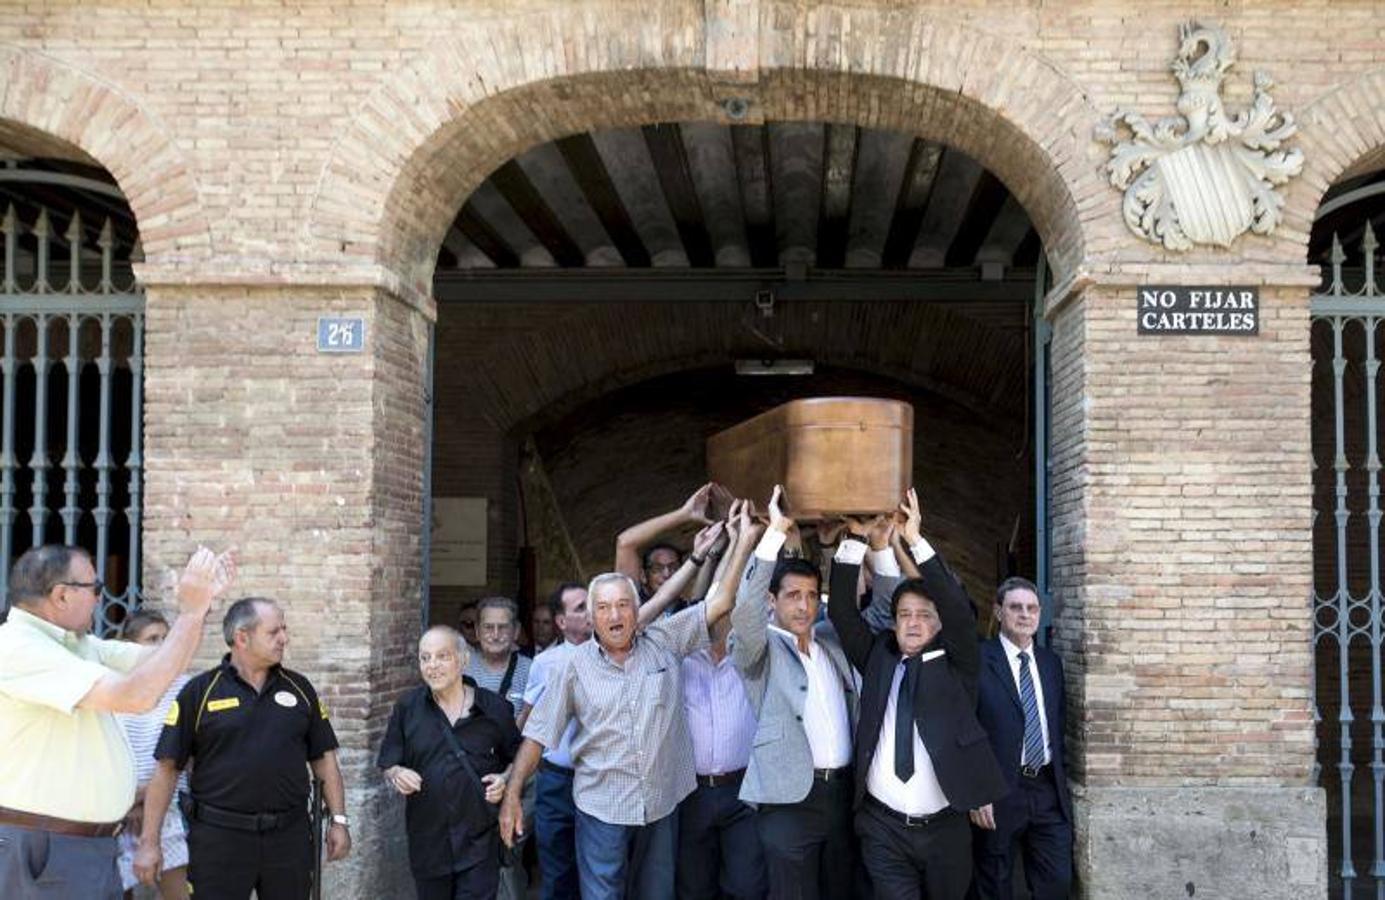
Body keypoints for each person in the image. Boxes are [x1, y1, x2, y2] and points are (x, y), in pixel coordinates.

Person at [500, 517, 737, 900]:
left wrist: (745, 539)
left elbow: (721, 601)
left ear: (636, 610)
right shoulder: (572, 667)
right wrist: (512, 794)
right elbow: (538, 733)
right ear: (591, 618)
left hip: (661, 803)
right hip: (602, 808)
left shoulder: (663, 641)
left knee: (656, 893)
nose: (615, 615)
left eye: (623, 606)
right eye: (605, 608)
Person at [0, 544, 232, 900]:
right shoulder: (17, 647)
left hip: (80, 845)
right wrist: (189, 613)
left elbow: (165, 663)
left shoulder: (79, 645)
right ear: (62, 595)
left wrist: (199, 611)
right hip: (46, 846)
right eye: (95, 589)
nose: (98, 599)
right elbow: (136, 695)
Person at [825, 490, 1006, 900]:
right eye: (904, 614)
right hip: (882, 827)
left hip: (945, 829)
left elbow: (959, 610)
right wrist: (855, 539)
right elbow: (840, 611)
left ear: (939, 624)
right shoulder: (877, 658)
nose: (913, 623)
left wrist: (915, 540)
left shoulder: (961, 663)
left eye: (924, 615)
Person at [135, 597, 350, 899]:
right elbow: (167, 768)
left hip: (288, 837)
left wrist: (339, 821)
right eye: (274, 632)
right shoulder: (199, 691)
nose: (284, 638)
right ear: (242, 638)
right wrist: (149, 841)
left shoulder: (300, 689)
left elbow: (324, 758)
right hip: (219, 839)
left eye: (284, 630)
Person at [728, 486, 859, 900]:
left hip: (842, 796)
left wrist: (851, 542)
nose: (802, 607)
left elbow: (874, 611)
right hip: (787, 805)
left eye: (809, 597)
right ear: (773, 601)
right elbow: (744, 613)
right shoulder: (759, 648)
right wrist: (775, 535)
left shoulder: (832, 641)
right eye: (792, 597)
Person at [644, 501, 767, 900]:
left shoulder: (752, 655)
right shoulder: (673, 655)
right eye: (714, 612)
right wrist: (722, 548)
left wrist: (745, 543)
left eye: (726, 612)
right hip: (690, 791)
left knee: (746, 885)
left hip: (743, 789)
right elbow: (646, 619)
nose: (720, 619)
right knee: (694, 886)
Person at [378, 625, 521, 900]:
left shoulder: (495, 709)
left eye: (442, 656)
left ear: (463, 659)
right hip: (428, 842)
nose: (432, 665)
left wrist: (504, 779)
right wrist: (397, 773)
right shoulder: (407, 708)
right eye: (425, 657)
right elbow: (389, 762)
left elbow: (518, 761)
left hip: (480, 842)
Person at [969, 577, 1072, 900]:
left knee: (1056, 882)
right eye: (1016, 607)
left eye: (1032, 608)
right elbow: (966, 731)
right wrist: (977, 790)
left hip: (1046, 789)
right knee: (995, 884)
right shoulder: (977, 661)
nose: (1025, 615)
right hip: (998, 790)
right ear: (999, 612)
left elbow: (1057, 723)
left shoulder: (1050, 663)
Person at [520, 582, 591, 900]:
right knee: (557, 871)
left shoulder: (613, 658)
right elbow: (528, 720)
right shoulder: (545, 663)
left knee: (599, 869)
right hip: (556, 782)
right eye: (580, 607)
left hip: (599, 780)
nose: (590, 612)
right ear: (561, 622)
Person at [115, 610, 192, 900]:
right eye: (151, 639)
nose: (161, 646)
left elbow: (187, 756)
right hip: (118, 812)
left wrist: (145, 799)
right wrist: (128, 803)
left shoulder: (184, 687)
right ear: (130, 646)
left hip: (166, 808)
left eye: (165, 638)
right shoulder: (114, 687)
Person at [614, 482, 730, 601]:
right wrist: (684, 514)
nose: (666, 574)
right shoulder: (632, 607)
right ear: (643, 576)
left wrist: (726, 525)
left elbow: (701, 596)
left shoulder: (685, 611)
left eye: (673, 567)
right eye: (657, 568)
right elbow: (625, 543)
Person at [464, 597, 531, 718]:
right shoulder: (461, 668)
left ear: (516, 631)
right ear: (477, 631)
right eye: (488, 627)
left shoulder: (532, 670)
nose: (495, 635)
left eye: (503, 627)